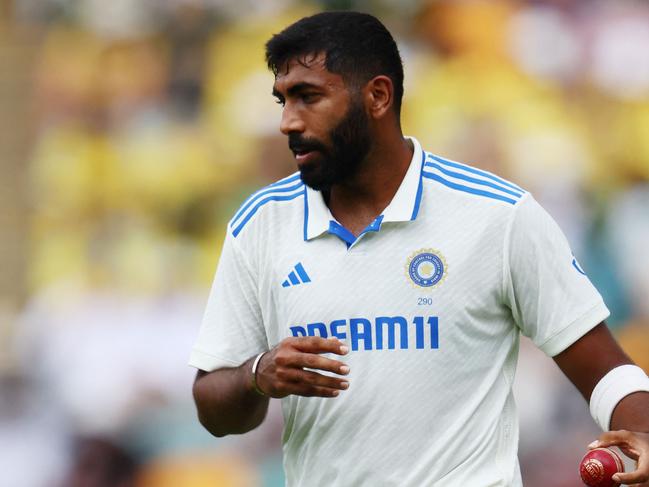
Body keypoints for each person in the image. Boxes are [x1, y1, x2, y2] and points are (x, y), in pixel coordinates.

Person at [189, 11, 649, 486]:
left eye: (309, 97)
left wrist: (643, 431)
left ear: (378, 96)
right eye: (283, 100)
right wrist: (258, 374)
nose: (288, 122)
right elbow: (215, 411)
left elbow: (605, 368)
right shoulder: (260, 224)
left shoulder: (498, 215)